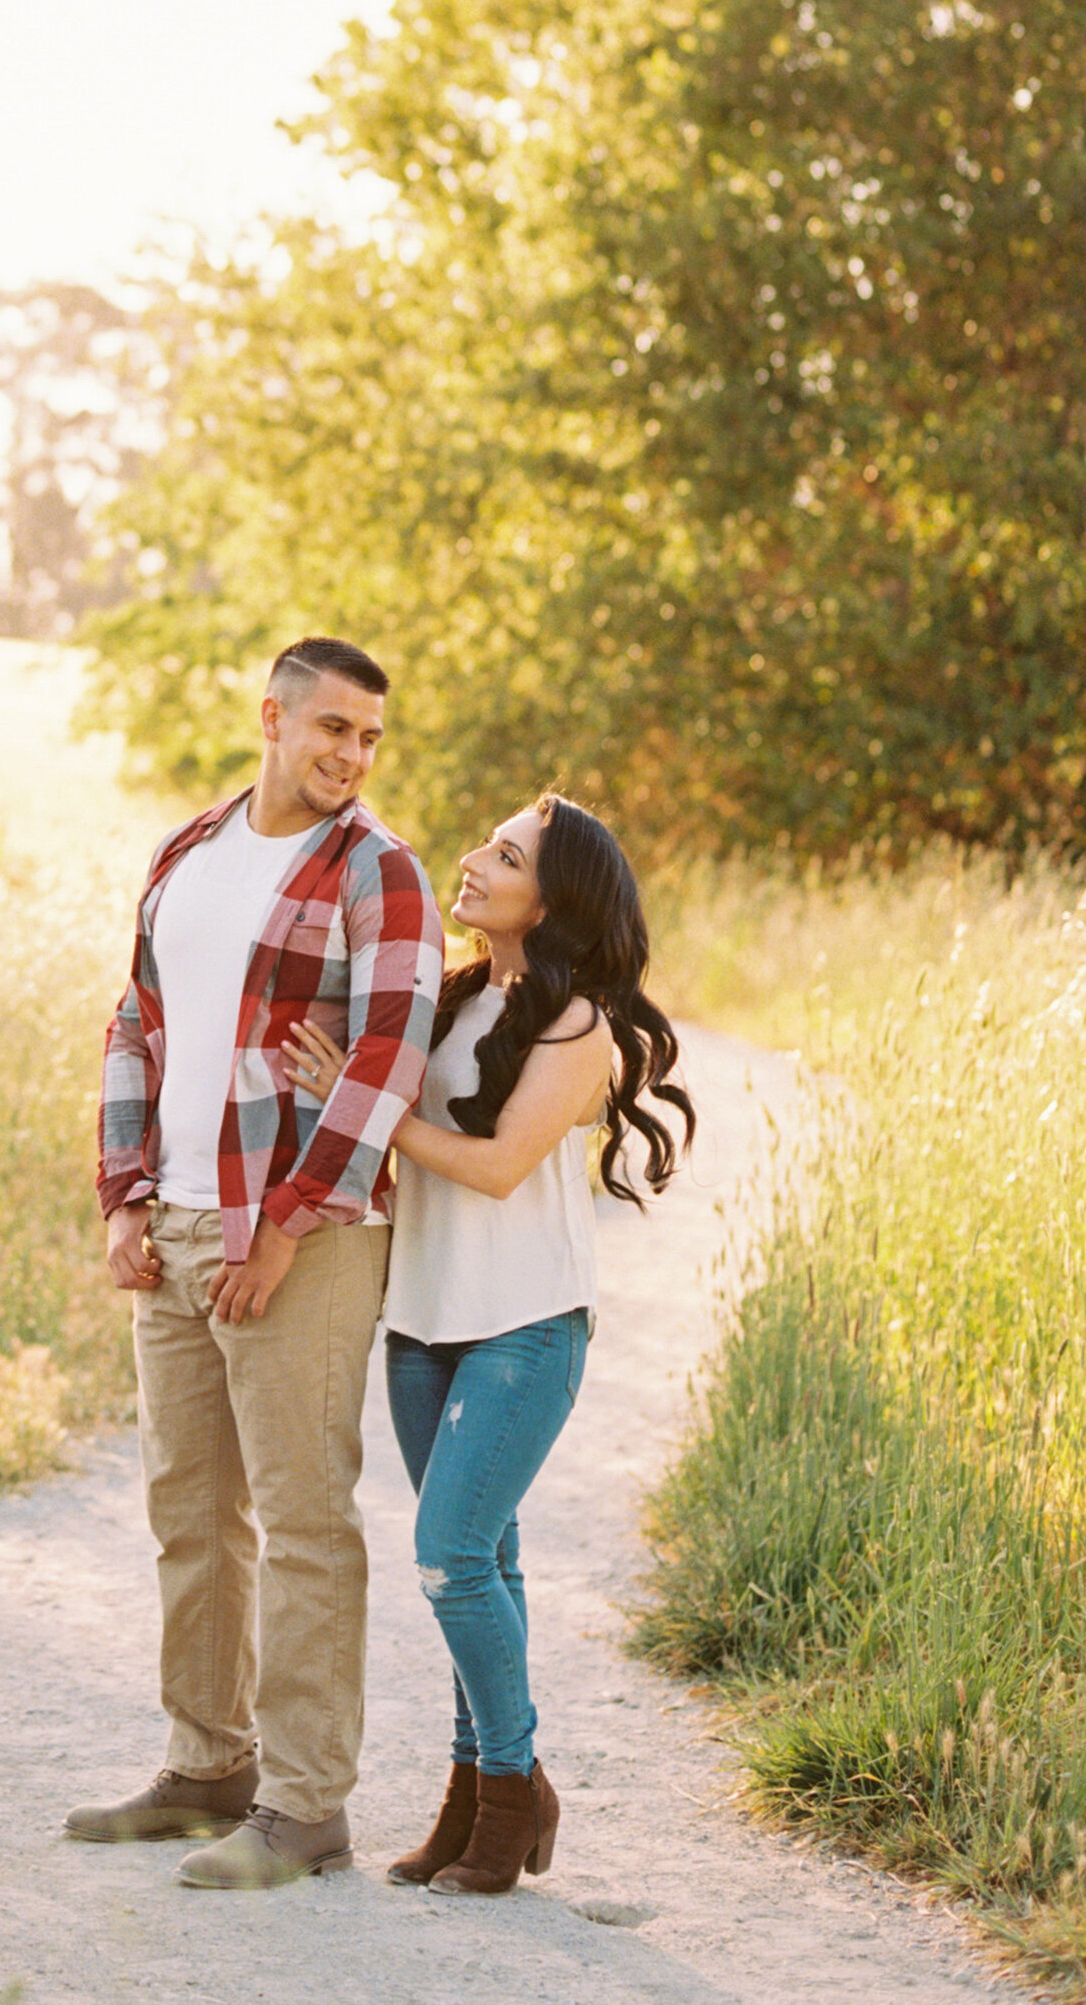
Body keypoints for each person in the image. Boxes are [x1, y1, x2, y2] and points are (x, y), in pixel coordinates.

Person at [65, 637, 444, 1891]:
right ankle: (206, 1763)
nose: (350, 755)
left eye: (370, 737)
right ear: (270, 717)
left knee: (299, 1518)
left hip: (304, 1237)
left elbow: (384, 1063)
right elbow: (138, 1023)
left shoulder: (380, 873)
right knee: (189, 1509)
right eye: (332, 727)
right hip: (171, 1225)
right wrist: (123, 1197)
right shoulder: (187, 854)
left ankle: (303, 1804)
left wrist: (282, 1225)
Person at [284, 791, 694, 1896]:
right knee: (485, 1560)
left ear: (550, 898)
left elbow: (498, 1163)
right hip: (420, 1321)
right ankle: (474, 1794)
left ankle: (511, 1791)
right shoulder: (455, 996)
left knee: (449, 1558)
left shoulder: (579, 1025)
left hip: (525, 1325)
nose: (472, 860)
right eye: (487, 841)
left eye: (505, 854)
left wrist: (362, 1109)